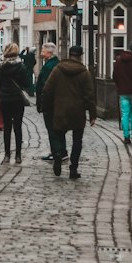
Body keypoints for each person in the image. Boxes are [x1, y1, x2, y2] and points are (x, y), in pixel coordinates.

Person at [41, 44, 96, 179]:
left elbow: (47, 89)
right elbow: (89, 95)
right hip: (78, 111)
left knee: (58, 134)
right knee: (77, 140)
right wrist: (93, 114)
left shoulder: (57, 70)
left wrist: (47, 107)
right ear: (80, 56)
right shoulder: (84, 73)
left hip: (60, 110)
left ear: (69, 55)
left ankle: (58, 154)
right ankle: (73, 169)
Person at [0, 41, 28, 164]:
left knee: (7, 127)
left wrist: (3, 90)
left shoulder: (0, 66)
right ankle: (18, 155)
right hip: (17, 99)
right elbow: (26, 83)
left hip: (5, 99)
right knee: (18, 127)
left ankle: (7, 154)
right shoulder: (21, 66)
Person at [35, 41, 64, 162]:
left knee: (52, 128)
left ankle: (56, 152)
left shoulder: (49, 66)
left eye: (43, 51)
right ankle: (61, 151)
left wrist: (41, 102)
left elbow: (46, 86)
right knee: (58, 128)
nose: (41, 53)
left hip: (50, 102)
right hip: (55, 101)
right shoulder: (54, 63)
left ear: (49, 52)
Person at [113, 40, 132, 144]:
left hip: (123, 92)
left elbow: (114, 76)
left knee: (125, 114)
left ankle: (126, 136)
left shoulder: (118, 60)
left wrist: (119, 86)